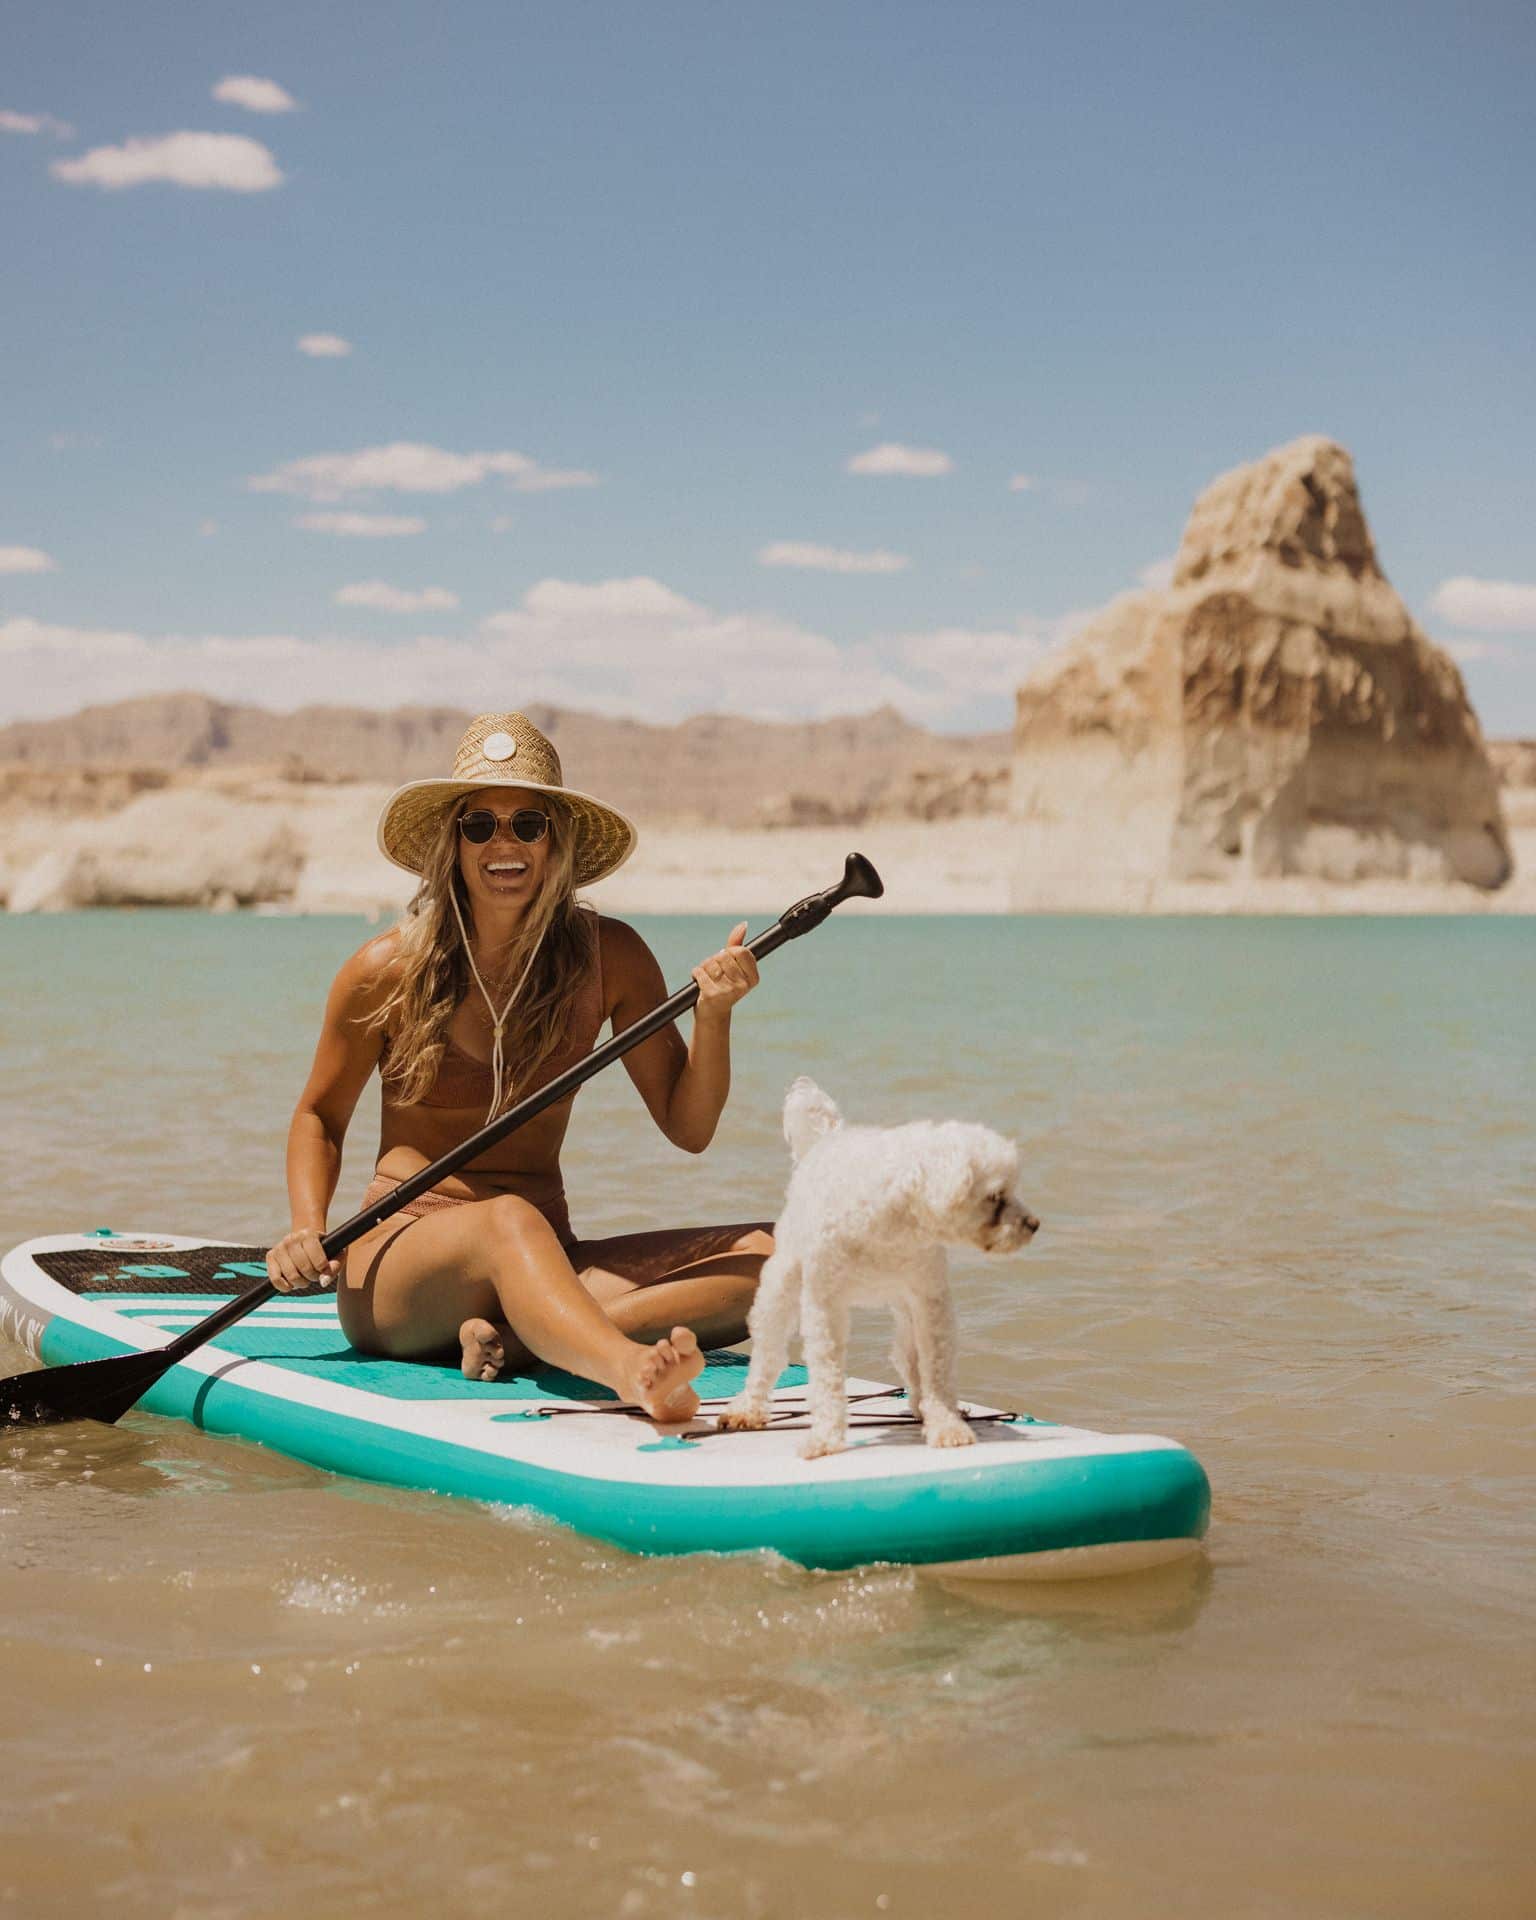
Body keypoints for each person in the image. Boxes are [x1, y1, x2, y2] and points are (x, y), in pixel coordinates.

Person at [265, 711, 774, 1425]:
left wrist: (715, 1017)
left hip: (544, 1256)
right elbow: (319, 1114)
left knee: (779, 1256)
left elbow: (689, 1129)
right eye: (481, 825)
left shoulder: (610, 957)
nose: (504, 844)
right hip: (400, 1265)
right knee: (506, 1220)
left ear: (556, 842)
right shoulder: (385, 971)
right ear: (453, 841)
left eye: (527, 825)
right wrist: (304, 1225)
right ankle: (630, 1370)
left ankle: (525, 1340)